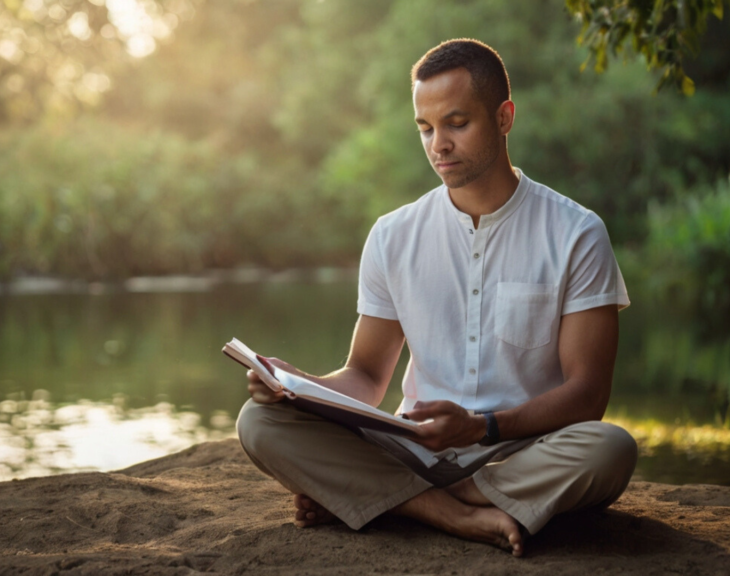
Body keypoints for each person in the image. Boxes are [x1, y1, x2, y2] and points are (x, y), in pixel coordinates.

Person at [235, 38, 637, 558]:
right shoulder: (392, 235)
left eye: (456, 123)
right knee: (259, 422)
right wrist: (296, 384)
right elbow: (364, 376)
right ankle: (453, 515)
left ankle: (390, 500)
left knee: (610, 449)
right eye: (425, 128)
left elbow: (588, 396)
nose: (438, 144)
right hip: (412, 449)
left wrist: (481, 427)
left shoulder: (576, 233)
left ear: (504, 117)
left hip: (518, 450)